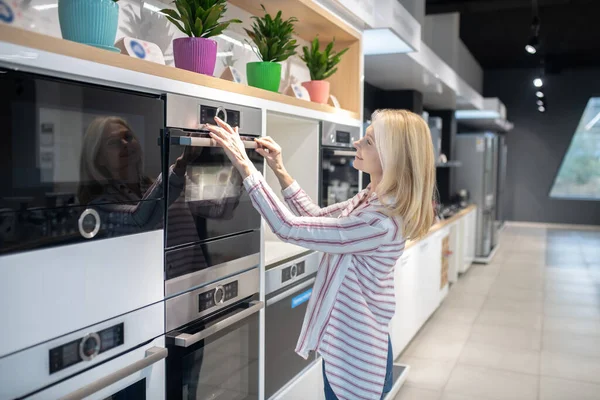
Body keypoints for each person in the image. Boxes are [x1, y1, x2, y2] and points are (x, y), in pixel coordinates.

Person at [206, 109, 436, 400]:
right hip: (354, 340)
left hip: (356, 354)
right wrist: (278, 168)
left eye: (368, 141)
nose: (356, 144)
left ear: (392, 157)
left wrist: (244, 166)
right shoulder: (371, 199)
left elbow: (288, 227)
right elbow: (314, 217)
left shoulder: (379, 220)